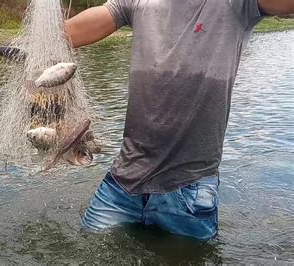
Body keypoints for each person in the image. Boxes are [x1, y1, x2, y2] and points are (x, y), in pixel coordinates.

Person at [64, 0, 294, 240]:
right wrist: (36, 44)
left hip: (190, 190)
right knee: (87, 246)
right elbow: (71, 32)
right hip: (123, 183)